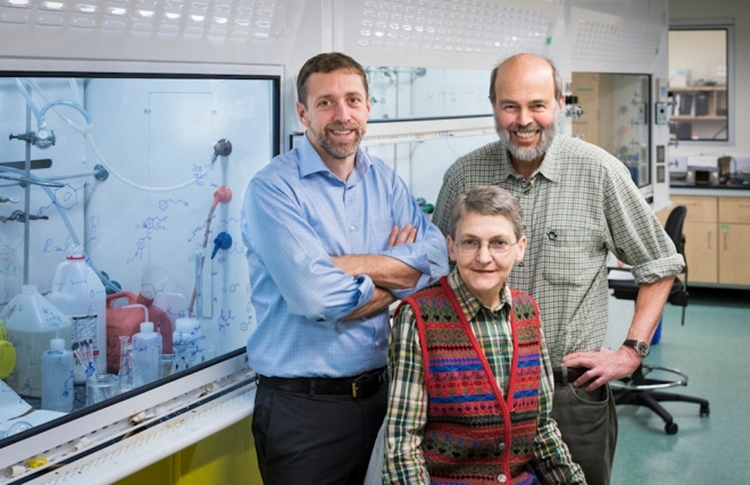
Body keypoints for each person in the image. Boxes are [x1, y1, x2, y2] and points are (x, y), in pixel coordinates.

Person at [431, 53, 685, 485]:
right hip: (473, 391)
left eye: (537, 105)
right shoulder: (464, 175)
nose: (523, 120)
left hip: (569, 395)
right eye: (510, 106)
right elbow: (440, 269)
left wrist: (631, 352)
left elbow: (660, 263)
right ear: (493, 105)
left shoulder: (599, 172)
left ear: (561, 103)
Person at [241, 52, 449, 485]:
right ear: (303, 113)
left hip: (385, 399)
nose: (342, 115)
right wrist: (399, 277)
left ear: (368, 108)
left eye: (353, 100)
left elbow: (436, 259)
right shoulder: (272, 189)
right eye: (325, 103)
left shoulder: (384, 180)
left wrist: (340, 267)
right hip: (305, 413)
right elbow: (318, 298)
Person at [383, 185, 587, 484]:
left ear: (520, 248)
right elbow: (402, 444)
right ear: (451, 248)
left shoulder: (527, 312)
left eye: (498, 243)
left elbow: (541, 428)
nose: (483, 257)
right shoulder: (418, 317)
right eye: (470, 242)